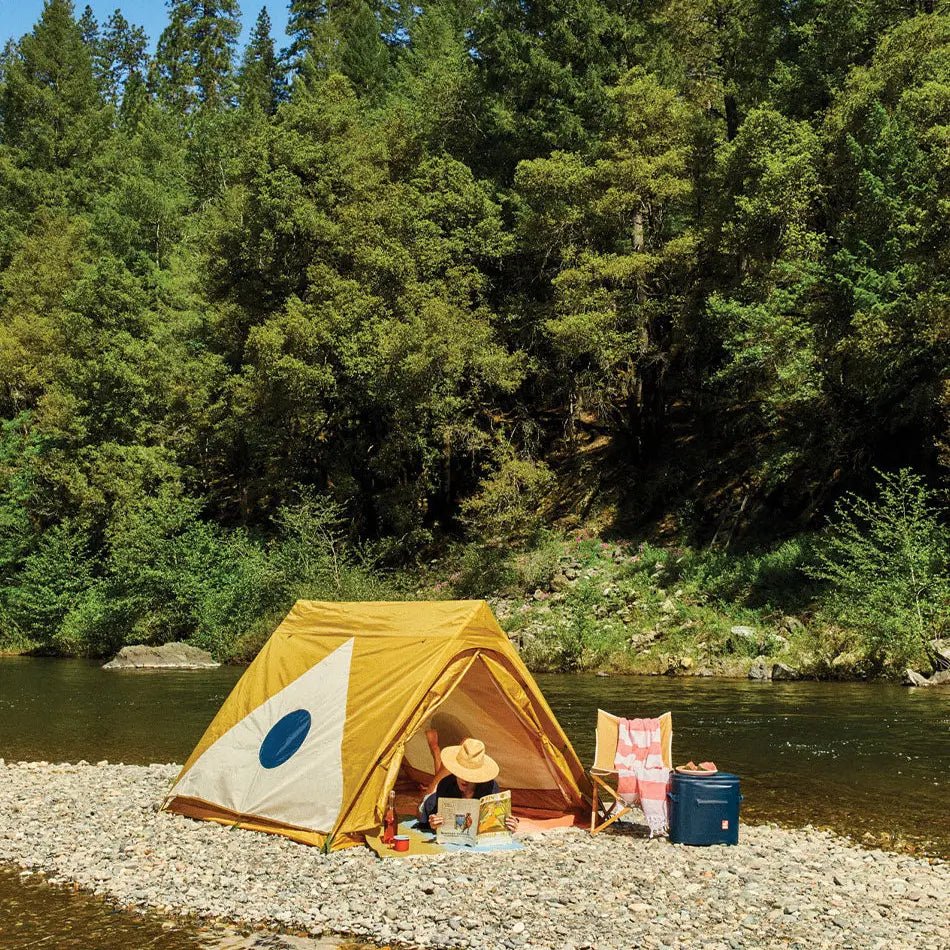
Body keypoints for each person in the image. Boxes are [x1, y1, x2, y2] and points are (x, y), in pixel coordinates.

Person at [418, 736, 519, 832]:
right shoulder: (445, 785)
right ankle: (435, 750)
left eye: (470, 775)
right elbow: (438, 821)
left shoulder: (491, 787)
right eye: (460, 773)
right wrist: (435, 824)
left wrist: (510, 825)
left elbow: (495, 819)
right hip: (432, 802)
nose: (464, 779)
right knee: (422, 808)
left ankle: (437, 751)